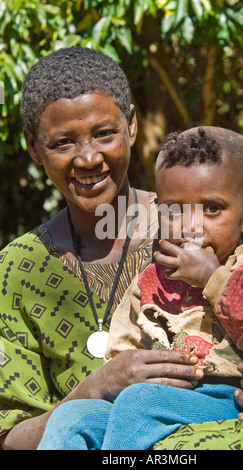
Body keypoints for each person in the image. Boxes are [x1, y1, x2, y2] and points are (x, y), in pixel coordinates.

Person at [36, 126, 243, 450]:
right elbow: (124, 349)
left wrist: (212, 277)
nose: (191, 225)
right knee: (72, 417)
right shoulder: (152, 279)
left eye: (212, 209)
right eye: (175, 210)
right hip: (158, 397)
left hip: (236, 396)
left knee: (139, 404)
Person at [0, 47, 203, 451]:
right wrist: (95, 387)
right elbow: (9, 435)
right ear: (33, 147)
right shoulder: (16, 270)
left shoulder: (199, 227)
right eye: (62, 143)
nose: (89, 158)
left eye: (104, 133)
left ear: (131, 125)